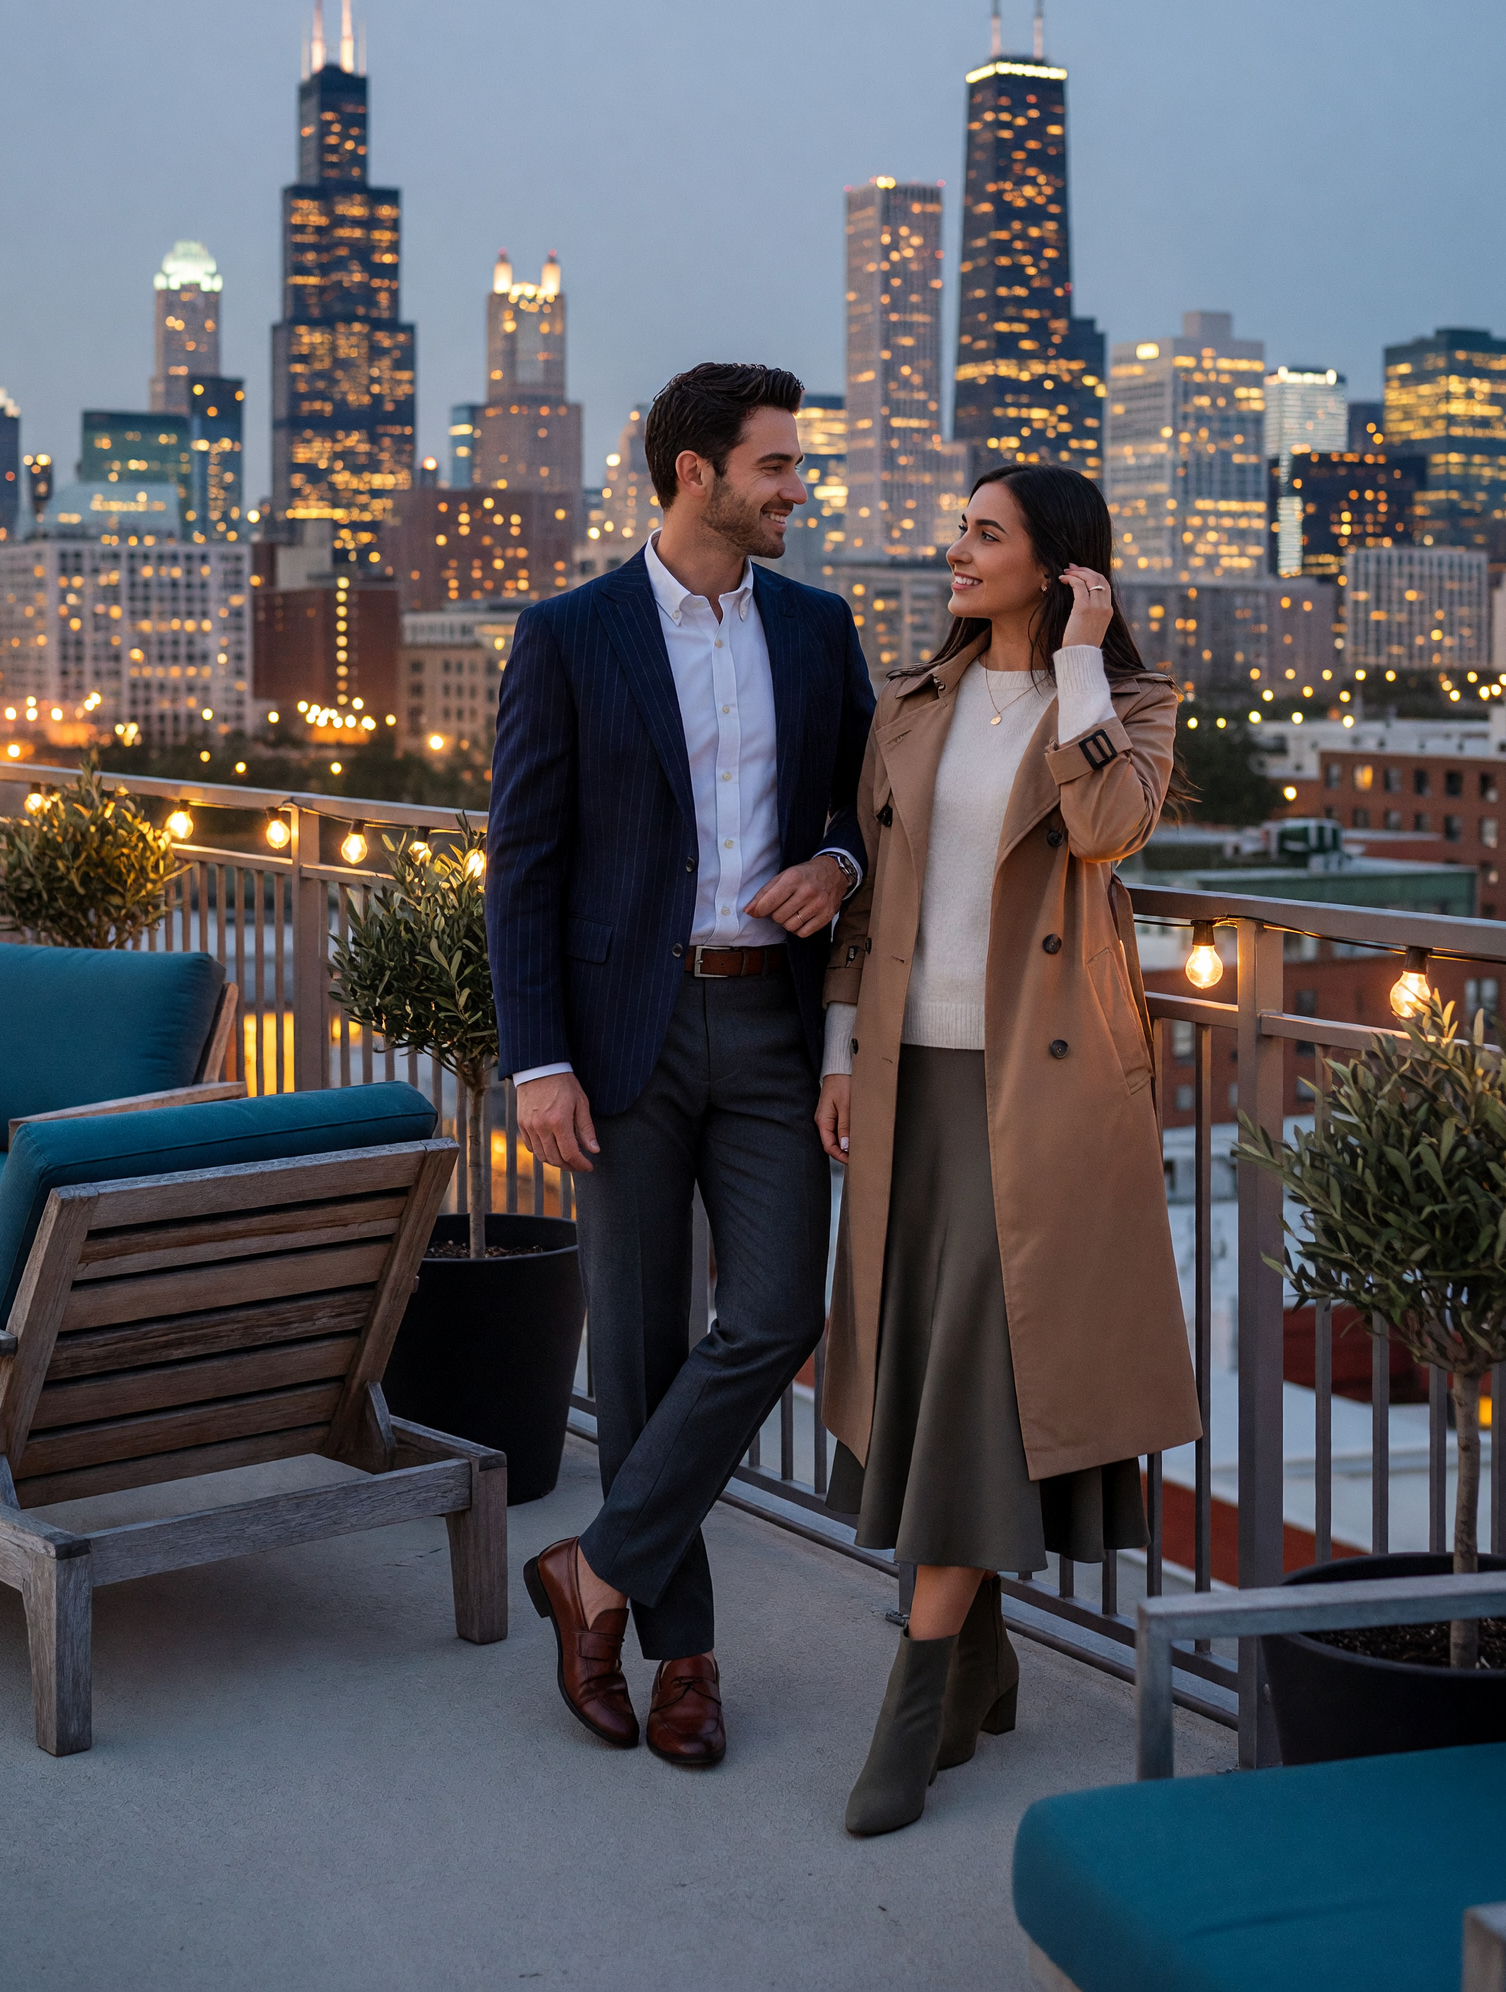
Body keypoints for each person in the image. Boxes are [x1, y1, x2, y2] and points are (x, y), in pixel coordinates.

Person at [486, 361, 874, 1771]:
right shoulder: (570, 632)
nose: (796, 487)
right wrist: (538, 1062)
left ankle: (591, 1574)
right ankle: (685, 1660)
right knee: (643, 1348)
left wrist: (836, 863)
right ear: (697, 474)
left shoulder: (823, 630)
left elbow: (861, 811)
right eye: (776, 465)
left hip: (770, 1024)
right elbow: (521, 868)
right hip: (618, 1038)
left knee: (775, 1314)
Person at [816, 462, 1202, 1836]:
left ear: (1060, 564)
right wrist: (837, 1052)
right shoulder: (912, 705)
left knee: (986, 1369)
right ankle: (982, 1662)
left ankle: (914, 1701)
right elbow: (869, 898)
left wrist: (1085, 665)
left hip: (1040, 1093)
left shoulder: (1128, 705)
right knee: (926, 1363)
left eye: (984, 535)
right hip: (909, 1077)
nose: (956, 553)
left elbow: (1106, 826)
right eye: (960, 531)